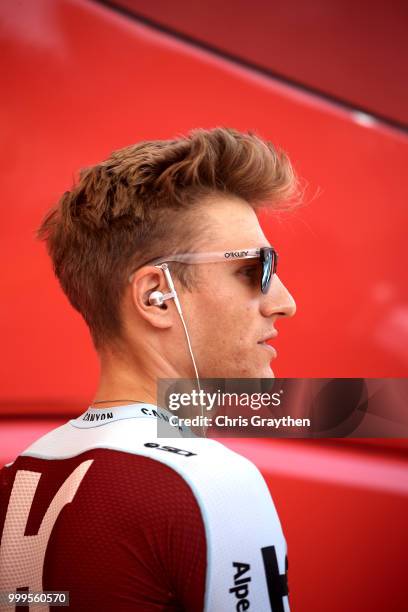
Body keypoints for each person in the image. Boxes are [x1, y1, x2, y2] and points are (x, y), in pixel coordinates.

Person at [0, 128, 297, 611]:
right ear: (156, 296)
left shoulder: (18, 474)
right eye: (253, 270)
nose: (285, 303)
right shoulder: (212, 484)